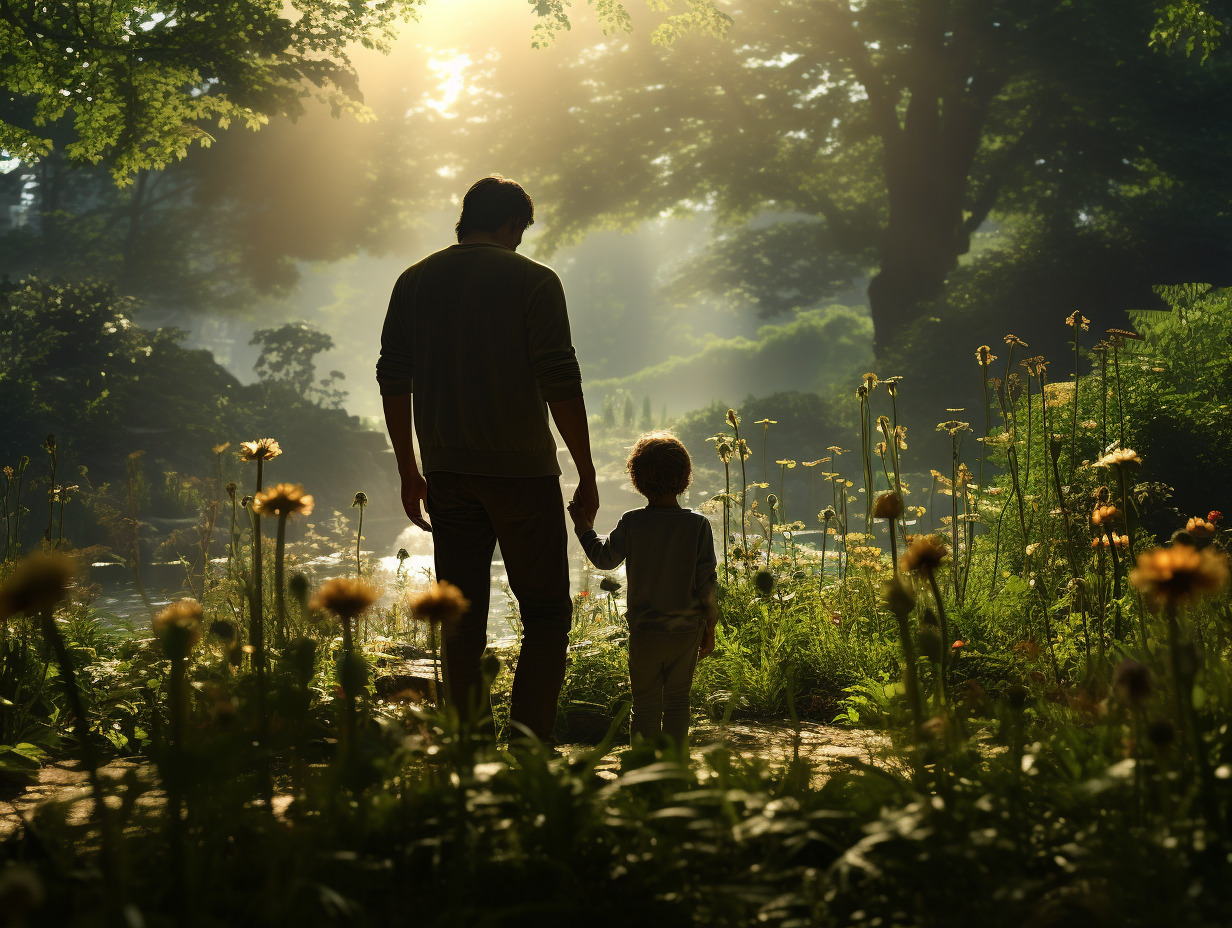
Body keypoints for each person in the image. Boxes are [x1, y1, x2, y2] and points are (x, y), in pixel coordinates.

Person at [376, 174, 599, 742]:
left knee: (462, 618)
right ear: (511, 223)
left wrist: (408, 467)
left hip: (448, 474)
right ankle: (529, 748)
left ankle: (468, 748)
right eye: (521, 230)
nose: (521, 240)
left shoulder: (414, 281)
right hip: (523, 473)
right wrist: (586, 469)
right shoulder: (535, 282)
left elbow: (393, 378)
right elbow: (559, 379)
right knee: (546, 613)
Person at [568, 433, 718, 747]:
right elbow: (707, 585)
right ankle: (675, 767)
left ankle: (643, 769)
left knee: (646, 704)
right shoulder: (698, 526)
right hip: (686, 630)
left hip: (645, 631)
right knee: (678, 701)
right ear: (685, 477)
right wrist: (710, 627)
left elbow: (604, 559)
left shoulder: (632, 523)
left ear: (637, 478)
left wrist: (583, 526)